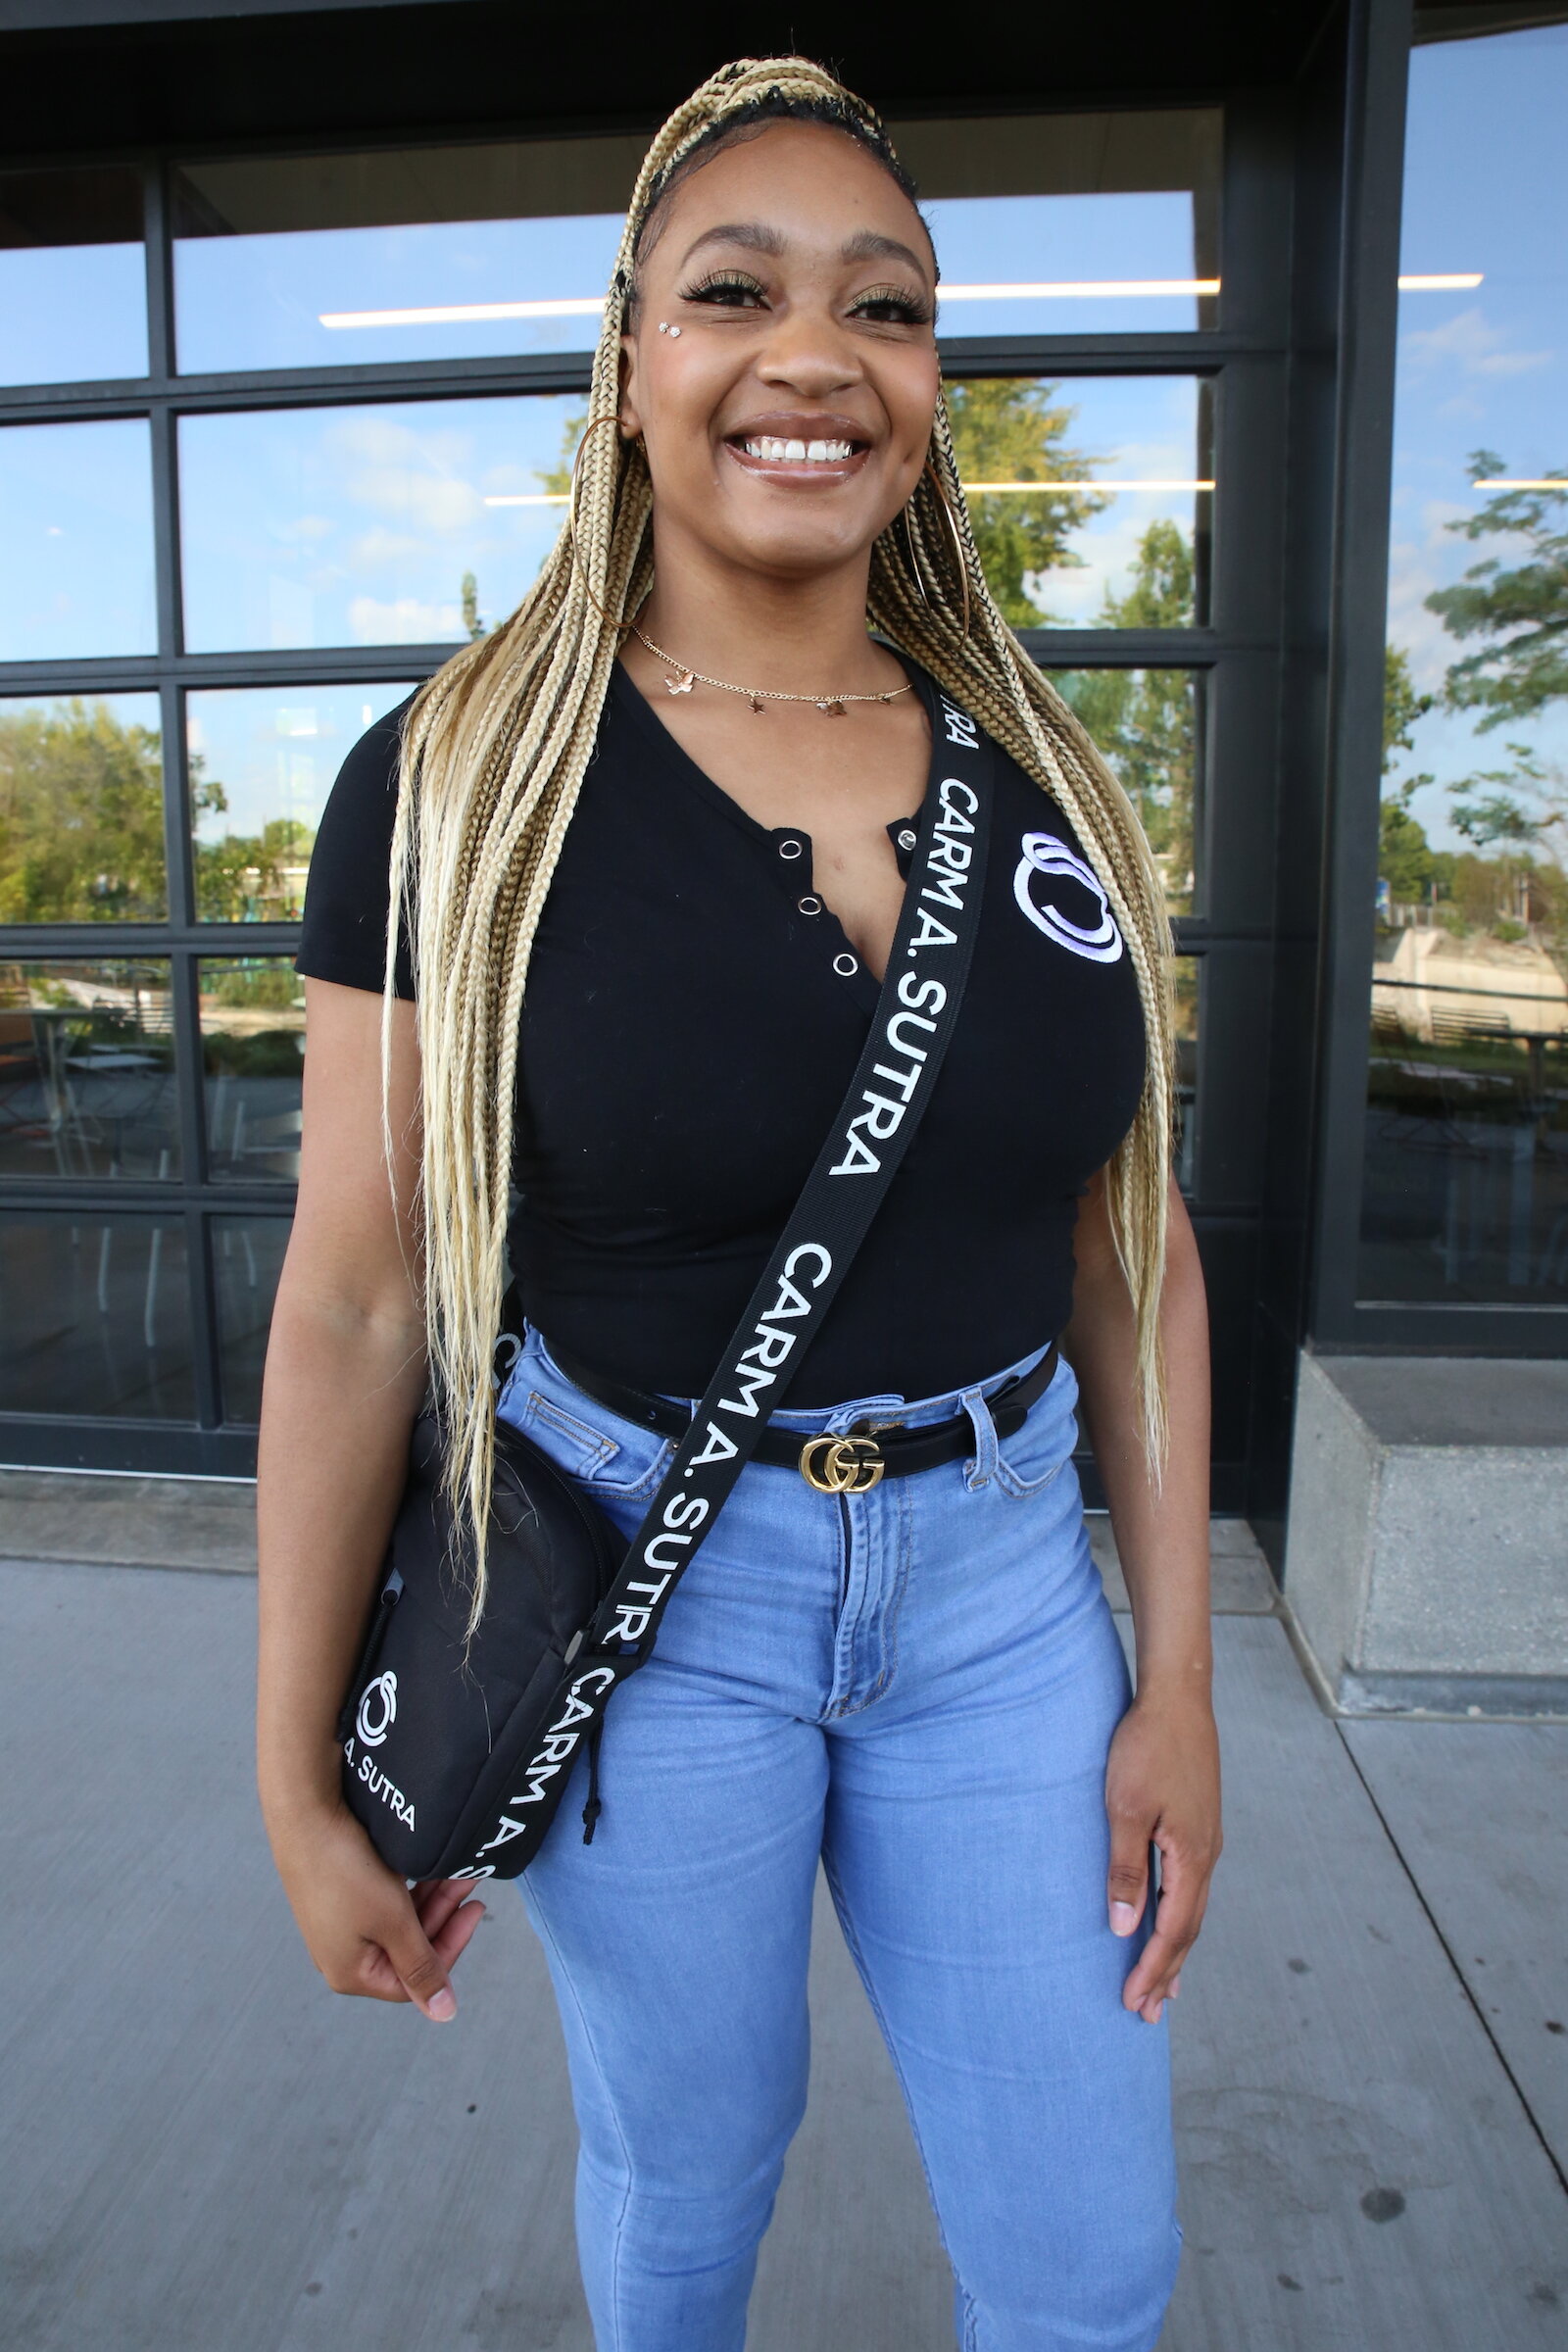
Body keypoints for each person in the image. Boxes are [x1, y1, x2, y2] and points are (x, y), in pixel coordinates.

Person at [257, 55, 1222, 2352]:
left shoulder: (1040, 775)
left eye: (882, 310)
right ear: (625, 368)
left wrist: (1175, 1678)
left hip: (1003, 1600)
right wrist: (296, 1781)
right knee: (684, 2196)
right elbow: (359, 1303)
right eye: (732, 292)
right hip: (643, 1593)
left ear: (925, 390)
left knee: (1089, 2264)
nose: (814, 356)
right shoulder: (460, 780)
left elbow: (1133, 1247)